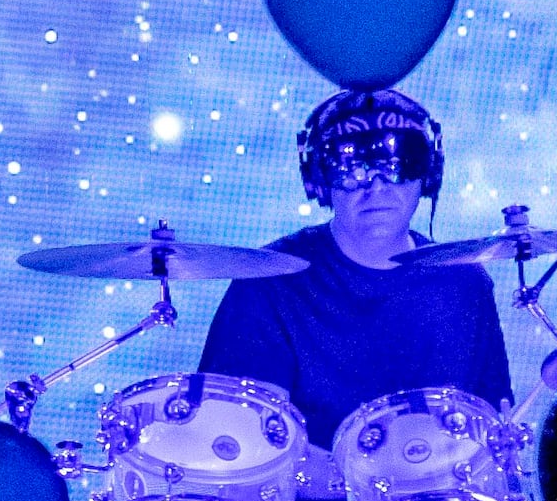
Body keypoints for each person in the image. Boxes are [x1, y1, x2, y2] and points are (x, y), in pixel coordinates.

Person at [193, 85, 512, 446]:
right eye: (351, 168)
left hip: (438, 498)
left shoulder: (465, 283)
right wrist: (356, 483)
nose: (376, 187)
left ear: (429, 174)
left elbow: (491, 430)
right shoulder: (269, 283)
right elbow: (242, 443)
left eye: (398, 163)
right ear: (319, 182)